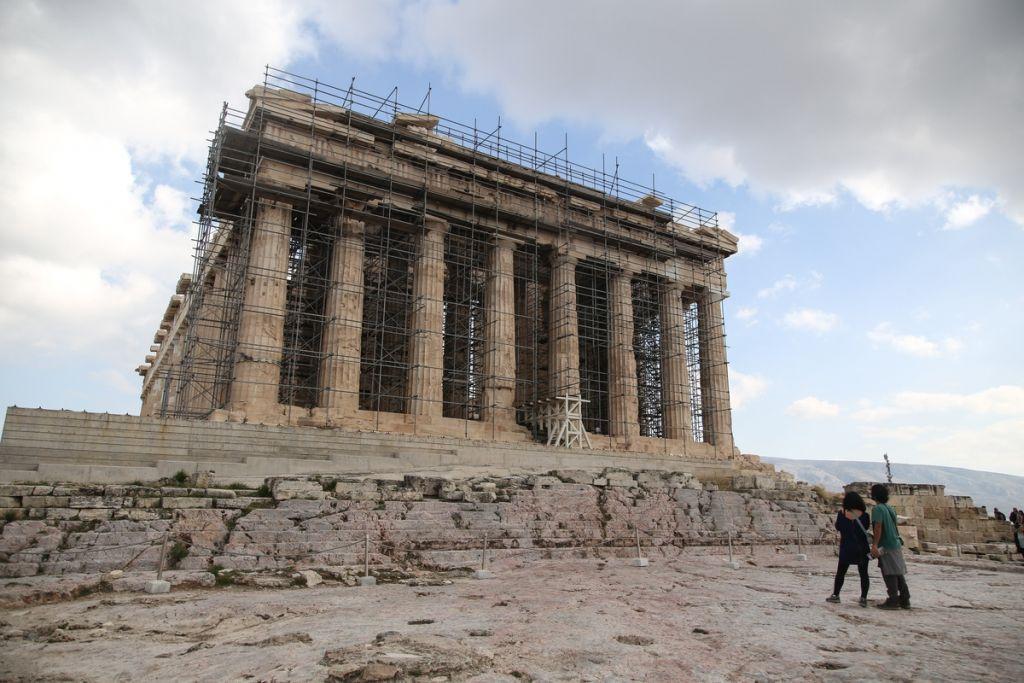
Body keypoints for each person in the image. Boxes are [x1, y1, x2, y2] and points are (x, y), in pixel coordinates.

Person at [826, 491, 872, 607]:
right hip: (862, 548)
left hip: (847, 547)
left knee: (841, 573)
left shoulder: (842, 514)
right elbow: (865, 528)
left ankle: (836, 595)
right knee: (864, 574)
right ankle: (863, 598)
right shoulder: (865, 516)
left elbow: (838, 527)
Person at [870, 483, 910, 610]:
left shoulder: (877, 509)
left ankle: (893, 599)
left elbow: (878, 527)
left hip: (886, 544)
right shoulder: (890, 508)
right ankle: (905, 598)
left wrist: (875, 545)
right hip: (896, 542)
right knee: (898, 571)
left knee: (889, 572)